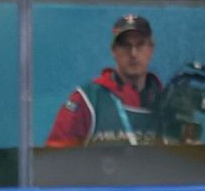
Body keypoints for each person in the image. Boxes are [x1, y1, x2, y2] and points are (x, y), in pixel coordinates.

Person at [45, 14, 166, 148]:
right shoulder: (88, 99)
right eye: (125, 45)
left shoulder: (166, 103)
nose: (133, 53)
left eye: (140, 44)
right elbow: (55, 159)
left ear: (151, 49)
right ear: (113, 51)